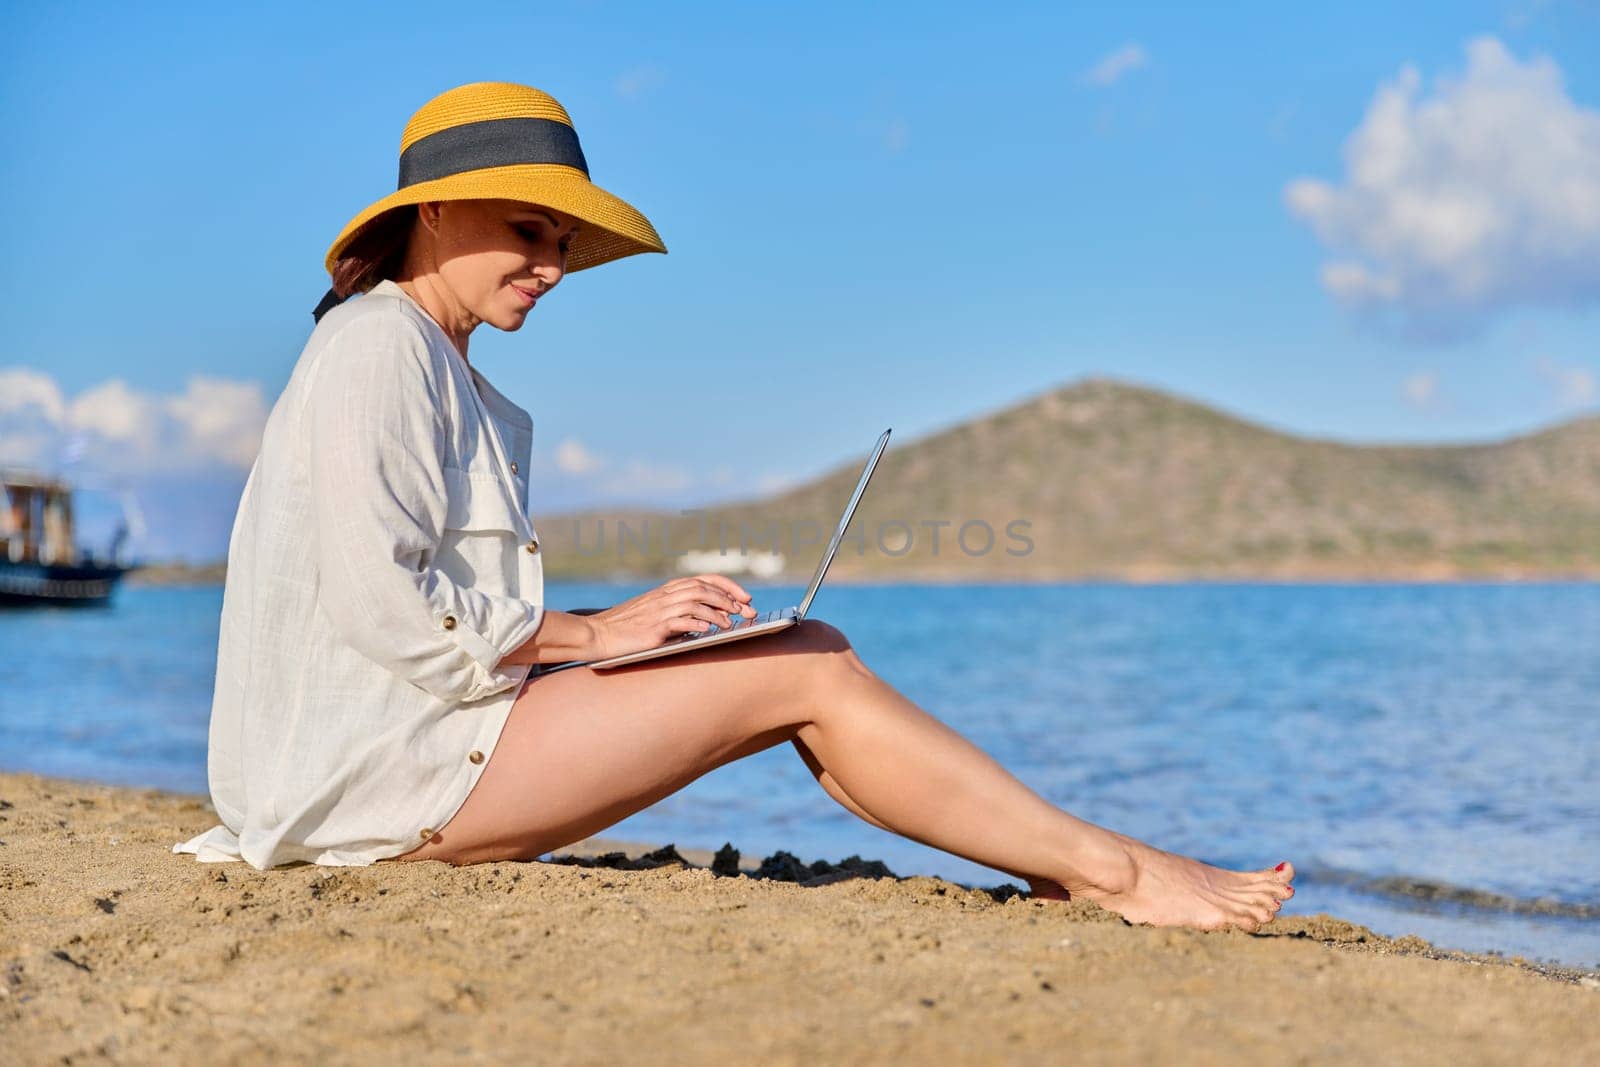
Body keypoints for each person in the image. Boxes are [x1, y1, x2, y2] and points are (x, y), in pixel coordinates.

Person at [175, 82, 1295, 932]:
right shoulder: (379, 347)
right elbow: (386, 604)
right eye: (530, 232)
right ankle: (1116, 871)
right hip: (371, 782)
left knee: (804, 649)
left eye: (562, 242)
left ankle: (1073, 862)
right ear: (436, 214)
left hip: (400, 749)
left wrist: (604, 640)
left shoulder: (430, 362)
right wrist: (598, 634)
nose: (553, 265)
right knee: (802, 667)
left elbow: (424, 614)